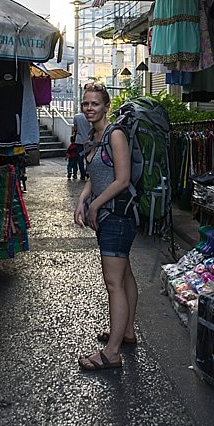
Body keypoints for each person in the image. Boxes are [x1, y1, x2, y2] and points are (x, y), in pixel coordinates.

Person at [73, 82, 137, 372]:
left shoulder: (116, 135)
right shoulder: (94, 136)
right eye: (86, 103)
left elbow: (122, 180)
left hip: (118, 216)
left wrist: (96, 205)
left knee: (113, 284)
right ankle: (126, 332)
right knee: (123, 277)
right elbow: (94, 176)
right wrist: (83, 200)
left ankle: (111, 353)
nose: (89, 108)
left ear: (106, 106)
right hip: (109, 216)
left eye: (95, 104)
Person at [71, 109, 91, 180]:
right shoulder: (89, 116)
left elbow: (75, 129)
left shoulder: (76, 117)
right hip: (88, 141)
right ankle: (87, 172)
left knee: (80, 158)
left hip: (79, 140)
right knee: (88, 157)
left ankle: (82, 174)